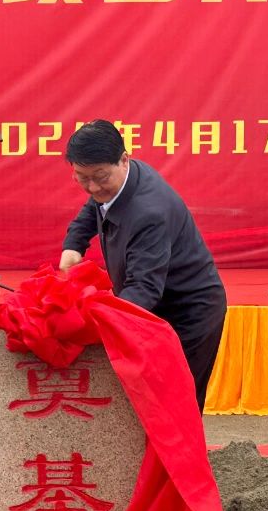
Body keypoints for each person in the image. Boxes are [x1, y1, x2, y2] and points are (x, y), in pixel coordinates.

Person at [58, 119, 227, 411]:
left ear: (124, 160)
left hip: (188, 312)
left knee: (175, 402)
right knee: (144, 401)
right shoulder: (120, 181)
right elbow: (95, 204)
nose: (93, 186)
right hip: (154, 304)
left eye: (100, 177)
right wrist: (74, 245)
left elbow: (144, 289)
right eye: (82, 178)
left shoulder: (149, 212)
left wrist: (99, 324)